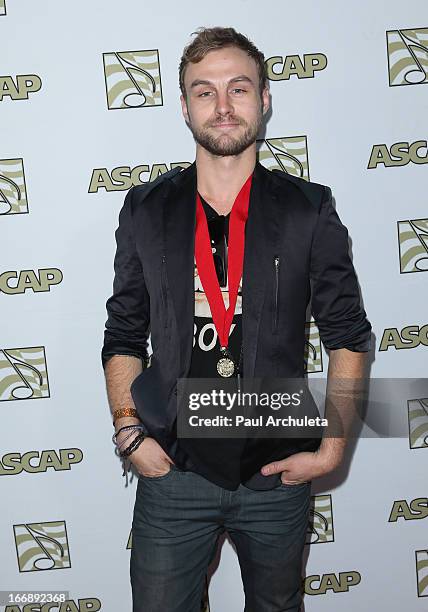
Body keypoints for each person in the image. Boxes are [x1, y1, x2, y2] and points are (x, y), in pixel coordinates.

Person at [101, 26, 372, 612]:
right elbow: (123, 333)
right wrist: (129, 432)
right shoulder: (145, 209)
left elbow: (348, 335)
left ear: (264, 99)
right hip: (173, 469)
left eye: (238, 89)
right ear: (184, 107)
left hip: (277, 471)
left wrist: (332, 450)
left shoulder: (308, 208)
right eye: (204, 91)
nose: (222, 107)